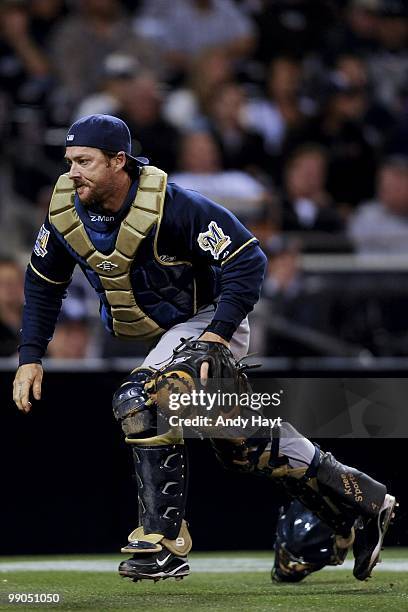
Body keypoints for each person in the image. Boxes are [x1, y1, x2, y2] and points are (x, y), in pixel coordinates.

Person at [13, 114, 395, 584]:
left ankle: (163, 540)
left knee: (140, 400)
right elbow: (43, 283)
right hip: (167, 331)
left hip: (206, 322)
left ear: (119, 161)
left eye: (84, 161)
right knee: (243, 445)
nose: (72, 172)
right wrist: (31, 354)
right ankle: (361, 498)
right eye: (69, 161)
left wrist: (217, 334)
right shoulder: (68, 211)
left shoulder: (174, 206)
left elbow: (248, 258)